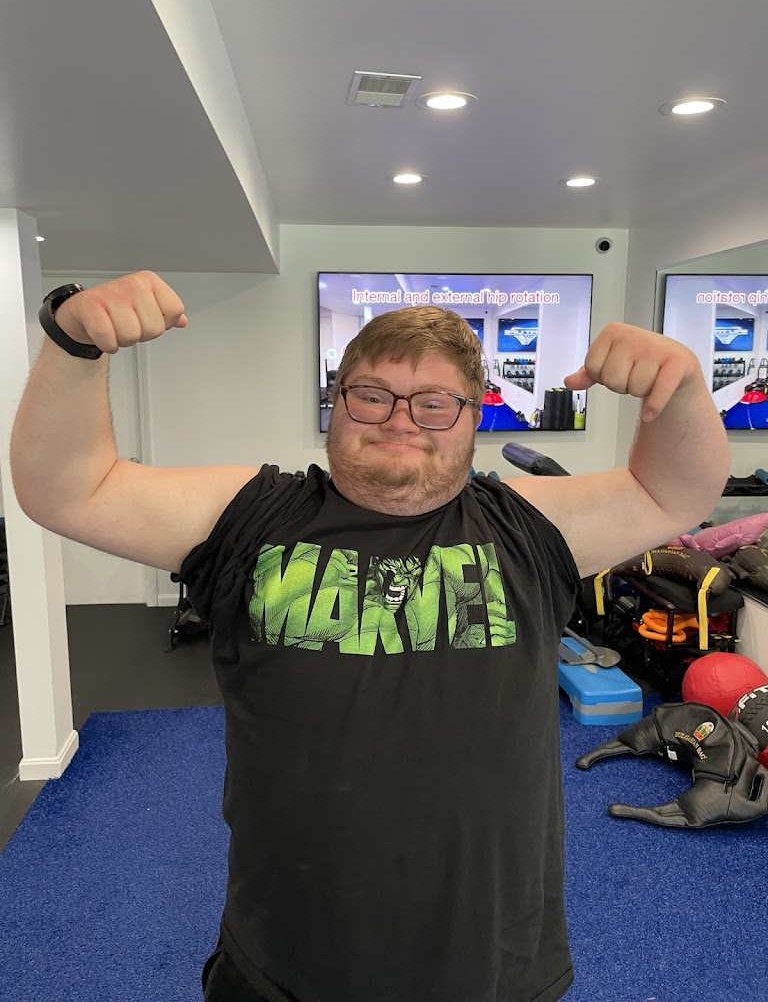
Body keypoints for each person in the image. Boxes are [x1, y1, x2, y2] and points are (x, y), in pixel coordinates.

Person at [10, 271, 730, 1002]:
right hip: (287, 963)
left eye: (434, 402)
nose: (400, 420)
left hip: (491, 964)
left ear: (473, 415)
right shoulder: (254, 516)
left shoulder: (527, 526)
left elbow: (671, 491)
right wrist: (73, 340)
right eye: (373, 395)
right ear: (338, 401)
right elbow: (71, 490)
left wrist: (681, 389)